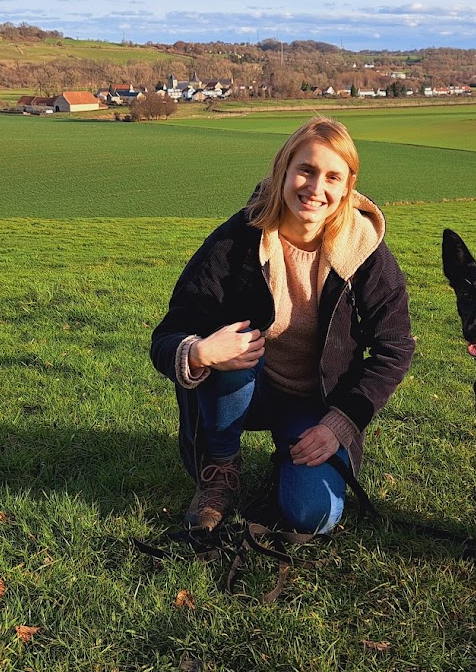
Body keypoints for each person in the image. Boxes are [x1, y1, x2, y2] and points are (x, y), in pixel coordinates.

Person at [150, 117, 414, 535]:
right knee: (232, 350)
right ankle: (220, 466)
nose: (315, 188)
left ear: (348, 186)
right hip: (242, 391)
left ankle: (291, 455)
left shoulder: (366, 250)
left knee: (314, 515)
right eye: (306, 170)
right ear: (283, 171)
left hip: (318, 403)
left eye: (332, 176)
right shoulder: (237, 238)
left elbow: (395, 348)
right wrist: (200, 353)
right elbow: (168, 333)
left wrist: (340, 423)